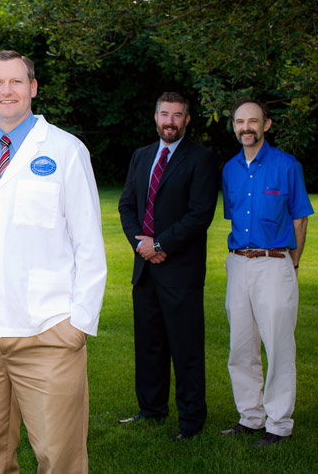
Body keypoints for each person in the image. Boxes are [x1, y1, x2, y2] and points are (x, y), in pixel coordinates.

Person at [0, 50, 107, 473]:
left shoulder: (65, 149)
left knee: (60, 458)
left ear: (33, 88)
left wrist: (77, 323)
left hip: (46, 332)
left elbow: (89, 243)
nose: (7, 90)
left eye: (16, 81)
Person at [117, 92, 219, 441]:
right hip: (145, 269)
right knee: (149, 344)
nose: (170, 121)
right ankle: (151, 408)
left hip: (181, 271)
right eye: (164, 114)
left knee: (185, 348)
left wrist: (159, 245)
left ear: (187, 119)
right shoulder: (141, 156)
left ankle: (191, 419)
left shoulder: (201, 159)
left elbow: (199, 215)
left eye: (177, 115)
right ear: (156, 117)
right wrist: (142, 245)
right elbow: (127, 206)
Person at [221, 97, 313, 447]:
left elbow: (299, 219)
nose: (246, 127)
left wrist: (294, 263)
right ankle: (250, 417)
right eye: (240, 122)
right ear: (234, 126)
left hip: (274, 263)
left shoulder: (287, 165)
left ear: (267, 125)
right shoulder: (229, 169)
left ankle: (279, 424)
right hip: (237, 263)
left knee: (278, 346)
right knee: (241, 346)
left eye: (253, 121)